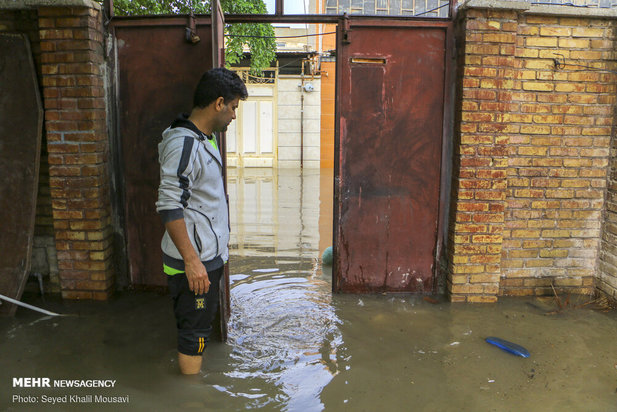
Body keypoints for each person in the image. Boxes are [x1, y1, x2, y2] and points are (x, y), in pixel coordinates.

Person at [156, 68, 248, 374]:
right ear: (219, 103)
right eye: (234, 107)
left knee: (198, 328)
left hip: (207, 254)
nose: (234, 115)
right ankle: (190, 397)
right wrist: (193, 262)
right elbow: (170, 206)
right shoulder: (184, 143)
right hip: (193, 263)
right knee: (193, 336)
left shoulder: (204, 139)